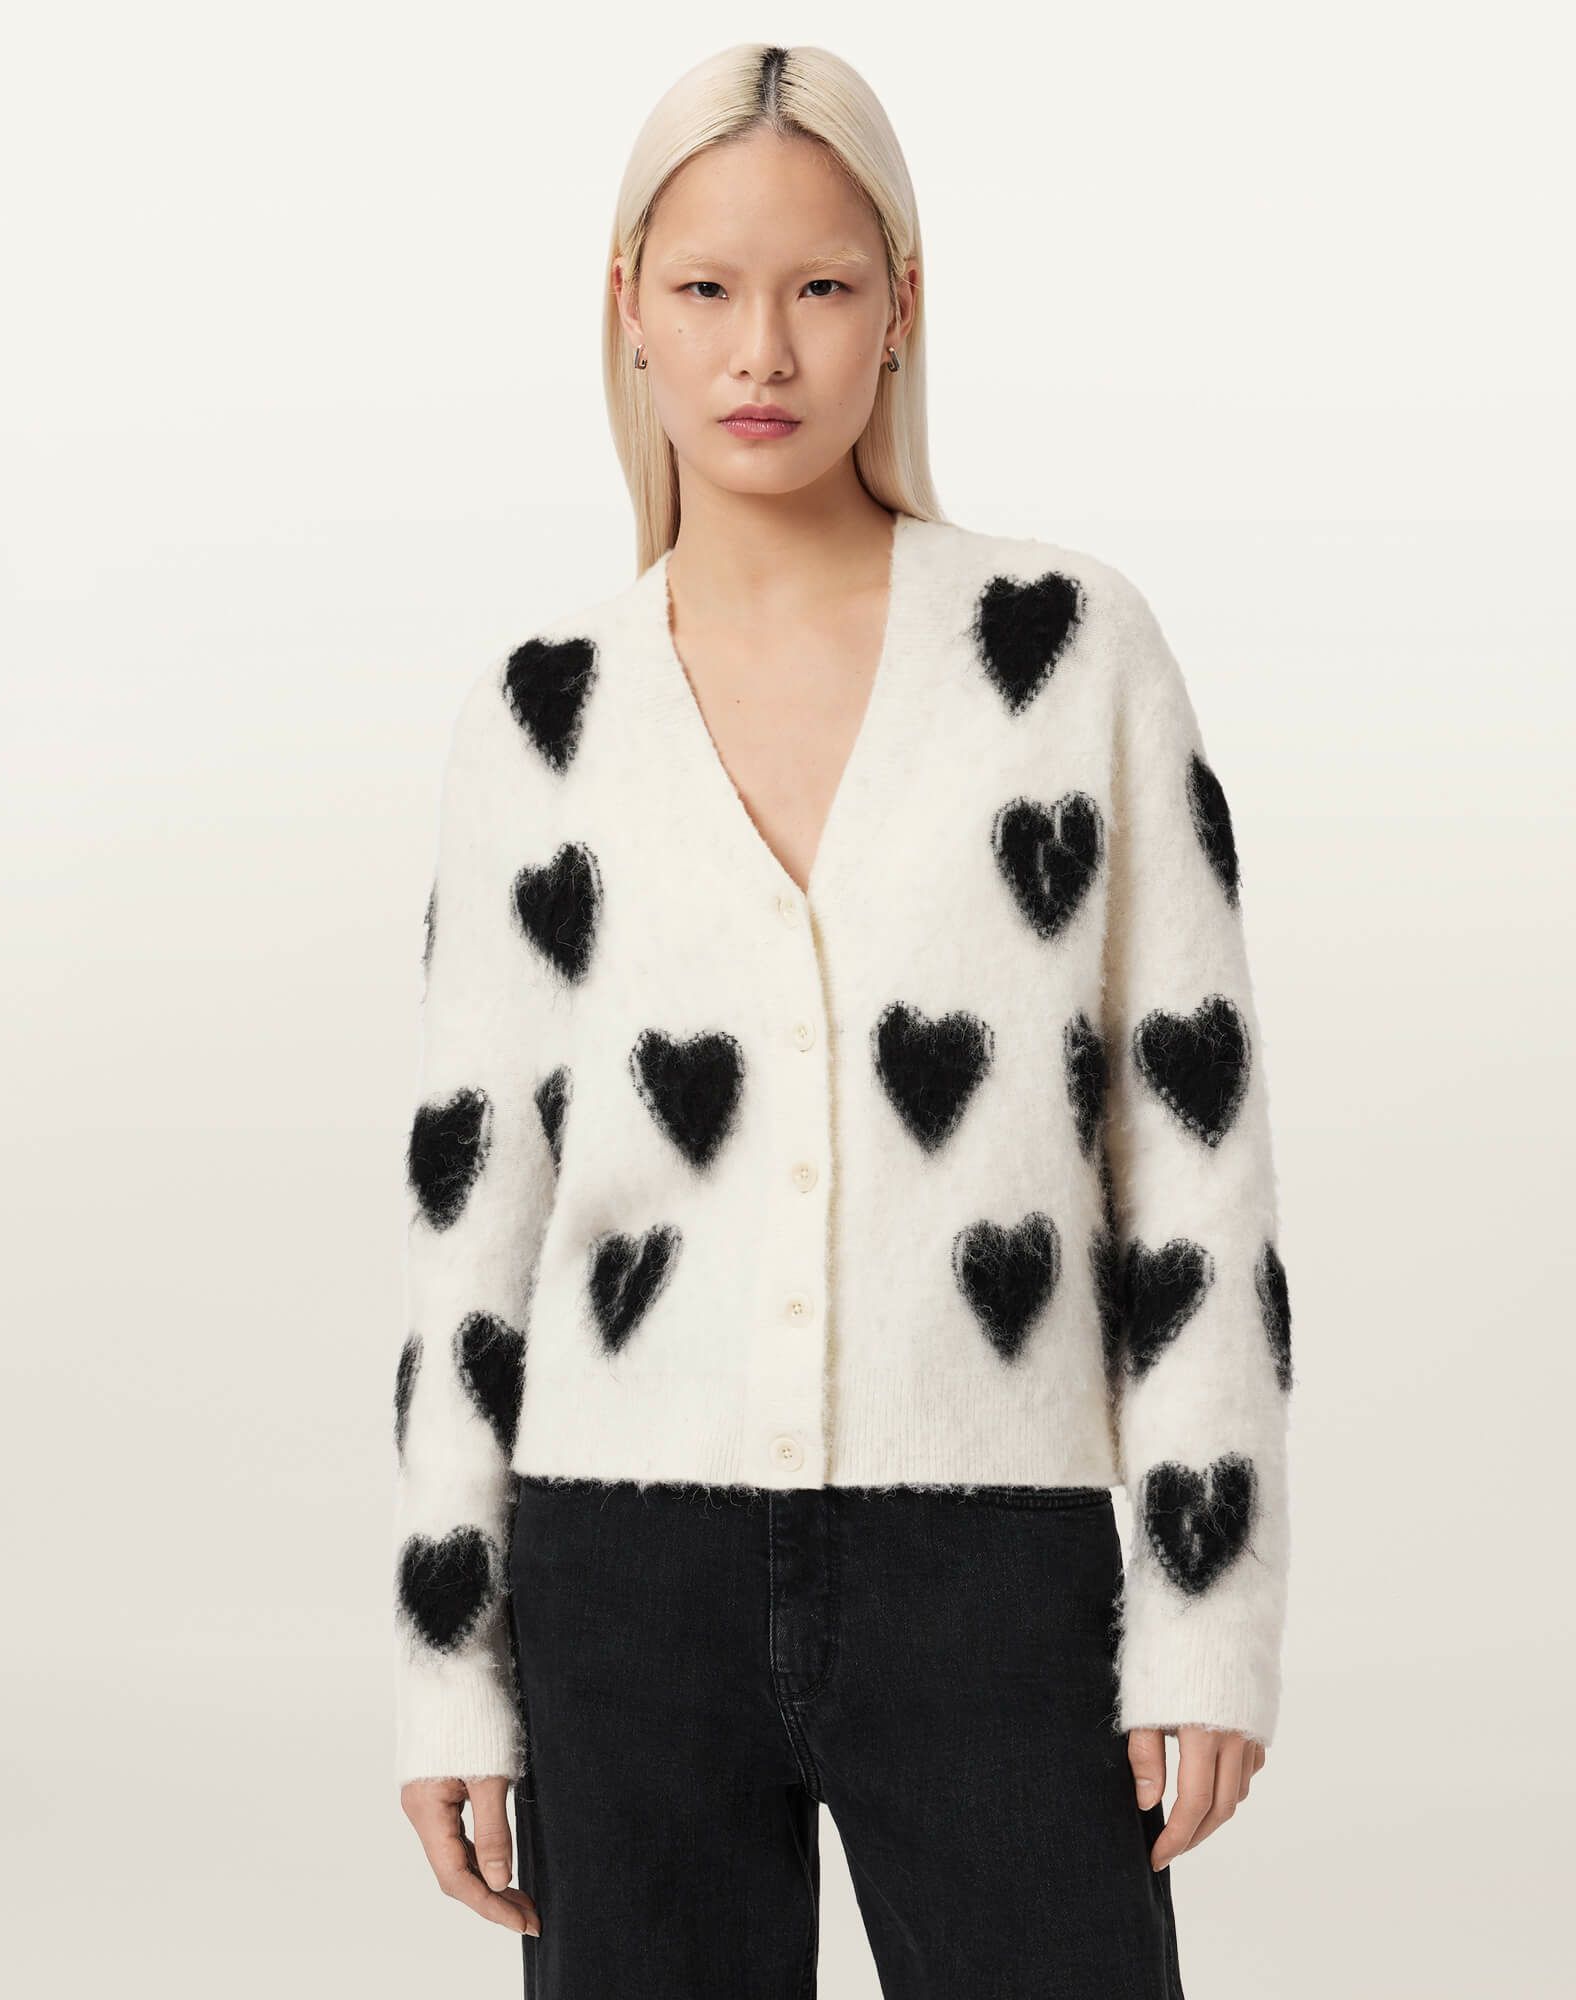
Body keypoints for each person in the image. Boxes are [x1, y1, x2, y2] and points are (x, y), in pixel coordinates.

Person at [390, 41, 1292, 2000]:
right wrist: (448, 1663)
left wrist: (1204, 1611)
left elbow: (1191, 1159)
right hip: (617, 1571)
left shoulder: (1068, 655)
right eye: (705, 287)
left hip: (995, 1562)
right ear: (627, 309)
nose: (761, 351)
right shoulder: (541, 712)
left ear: (900, 305)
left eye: (819, 285)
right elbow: (474, 1220)